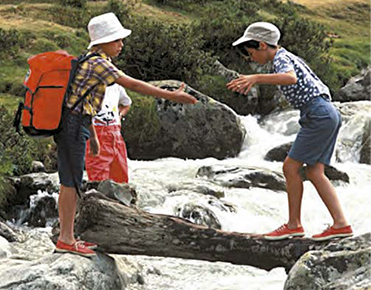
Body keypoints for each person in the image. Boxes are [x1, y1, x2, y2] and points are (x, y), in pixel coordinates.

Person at [54, 12, 197, 257]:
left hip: (75, 125)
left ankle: (67, 237)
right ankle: (66, 239)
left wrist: (93, 137)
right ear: (103, 41)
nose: (121, 45)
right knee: (71, 183)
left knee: (72, 182)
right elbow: (134, 85)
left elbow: (82, 102)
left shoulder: (88, 59)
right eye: (117, 40)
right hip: (73, 127)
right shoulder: (99, 63)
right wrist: (172, 95)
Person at [226, 22, 353, 241]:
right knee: (314, 172)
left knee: (290, 168)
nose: (250, 58)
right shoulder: (288, 56)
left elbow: (290, 78)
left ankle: (294, 225)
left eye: (250, 52)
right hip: (327, 113)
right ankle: (340, 224)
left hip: (319, 114)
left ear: (263, 45)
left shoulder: (281, 60)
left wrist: (256, 78)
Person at [85, 83, 131, 183]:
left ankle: (120, 197)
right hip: (96, 132)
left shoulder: (117, 86)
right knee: (98, 177)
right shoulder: (89, 85)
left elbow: (126, 103)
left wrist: (120, 115)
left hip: (116, 134)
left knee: (121, 177)